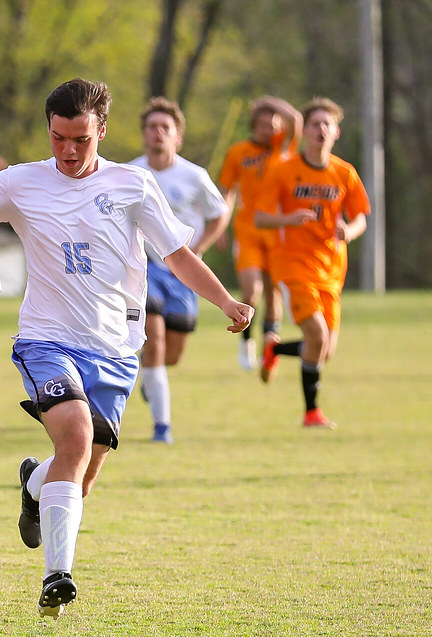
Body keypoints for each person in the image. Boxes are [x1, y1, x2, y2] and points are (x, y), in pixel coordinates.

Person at [0, 79, 252, 619]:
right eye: (58, 138)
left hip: (116, 348)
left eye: (81, 138)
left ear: (101, 129)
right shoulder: (19, 182)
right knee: (77, 439)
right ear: (49, 130)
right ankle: (58, 577)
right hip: (46, 339)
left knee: (84, 469)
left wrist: (226, 302)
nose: (69, 150)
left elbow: (177, 255)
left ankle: (36, 482)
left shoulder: (134, 184)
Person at [254, 97, 370, 428]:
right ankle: (311, 413)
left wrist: (350, 230)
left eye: (327, 124)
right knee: (316, 335)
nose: (321, 129)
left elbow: (361, 217)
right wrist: (288, 219)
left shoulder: (344, 173)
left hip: (331, 269)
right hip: (293, 265)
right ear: (304, 130)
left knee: (324, 349)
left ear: (336, 132)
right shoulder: (284, 170)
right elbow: (261, 218)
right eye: (315, 123)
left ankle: (274, 350)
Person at [129, 97, 230, 444]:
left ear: (177, 137)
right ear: (143, 135)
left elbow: (219, 214)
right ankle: (162, 427)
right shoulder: (130, 173)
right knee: (153, 343)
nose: (157, 133)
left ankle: (150, 380)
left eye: (165, 128)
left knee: (171, 355)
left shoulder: (194, 176)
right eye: (151, 127)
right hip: (145, 269)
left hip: (184, 272)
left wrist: (200, 246)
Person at [218, 96, 302, 370]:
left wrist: (273, 103)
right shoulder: (238, 152)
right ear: (254, 125)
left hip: (277, 231)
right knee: (251, 291)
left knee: (273, 291)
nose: (270, 129)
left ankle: (270, 345)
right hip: (247, 231)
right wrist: (220, 226)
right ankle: (247, 340)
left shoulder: (281, 148)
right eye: (265, 124)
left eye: (274, 124)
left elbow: (297, 121)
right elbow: (227, 192)